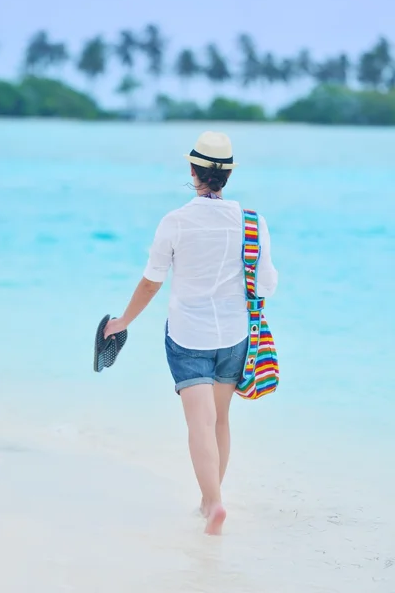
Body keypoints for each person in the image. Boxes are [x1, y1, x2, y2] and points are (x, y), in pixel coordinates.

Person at [104, 131, 278, 535]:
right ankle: (210, 499)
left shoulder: (176, 221)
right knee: (220, 421)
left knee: (199, 423)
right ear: (228, 174)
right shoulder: (253, 222)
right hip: (235, 336)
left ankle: (213, 503)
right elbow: (266, 285)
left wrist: (123, 322)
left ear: (193, 171)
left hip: (188, 337)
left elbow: (152, 282)